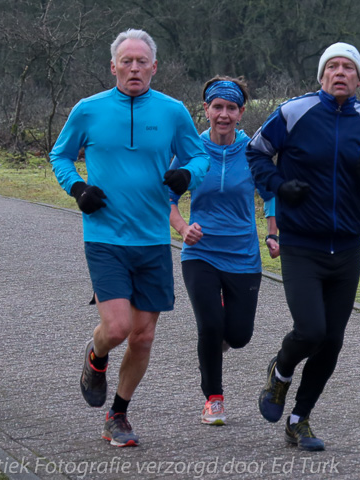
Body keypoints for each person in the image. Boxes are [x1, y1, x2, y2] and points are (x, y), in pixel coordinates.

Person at [49, 28, 210, 448]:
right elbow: (60, 155)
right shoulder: (89, 109)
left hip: (153, 239)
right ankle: (96, 354)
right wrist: (78, 188)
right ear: (113, 66)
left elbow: (199, 155)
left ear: (154, 67)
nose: (134, 68)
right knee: (118, 329)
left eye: (142, 62)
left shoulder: (173, 111)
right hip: (105, 236)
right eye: (127, 61)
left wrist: (187, 174)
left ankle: (117, 415)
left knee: (143, 336)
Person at [247, 42, 360, 451]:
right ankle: (279, 371)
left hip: (347, 247)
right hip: (302, 243)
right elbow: (256, 152)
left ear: (359, 79)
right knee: (311, 330)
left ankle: (300, 419)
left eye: (348, 68)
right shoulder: (293, 112)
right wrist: (279, 186)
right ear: (321, 75)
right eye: (332, 66)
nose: (340, 73)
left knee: (332, 341)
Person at [169, 76, 278, 426]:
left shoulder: (252, 151)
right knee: (211, 325)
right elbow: (167, 198)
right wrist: (184, 228)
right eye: (217, 106)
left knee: (240, 336)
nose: (224, 114)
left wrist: (273, 233)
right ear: (205, 110)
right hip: (200, 253)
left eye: (231, 108)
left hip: (243, 256)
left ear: (241, 112)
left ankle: (218, 335)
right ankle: (213, 400)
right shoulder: (190, 151)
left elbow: (271, 194)